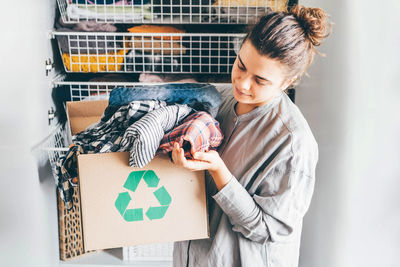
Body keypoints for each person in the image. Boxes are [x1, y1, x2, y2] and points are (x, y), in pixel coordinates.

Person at [171, 5, 331, 267]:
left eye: (260, 80)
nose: (242, 83)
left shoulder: (293, 143)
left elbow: (267, 229)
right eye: (241, 65)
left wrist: (218, 171)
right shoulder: (219, 99)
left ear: (286, 82)